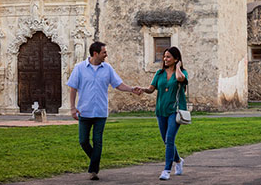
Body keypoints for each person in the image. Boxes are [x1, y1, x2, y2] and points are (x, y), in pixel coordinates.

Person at [67, 41, 142, 181]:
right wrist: (72, 108)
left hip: (101, 111)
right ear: (95, 53)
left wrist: (132, 89)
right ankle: (95, 161)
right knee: (83, 141)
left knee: (98, 141)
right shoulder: (79, 68)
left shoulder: (107, 68)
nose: (106, 55)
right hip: (84, 111)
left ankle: (93, 170)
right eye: (104, 52)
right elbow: (73, 88)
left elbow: (118, 84)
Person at [139, 46, 188, 181]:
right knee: (166, 141)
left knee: (169, 139)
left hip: (175, 110)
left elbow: (180, 79)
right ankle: (178, 160)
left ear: (176, 59)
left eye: (168, 57)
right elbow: (151, 89)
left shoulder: (183, 72)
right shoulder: (159, 73)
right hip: (161, 110)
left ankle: (166, 170)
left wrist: (178, 66)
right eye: (164, 57)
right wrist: (142, 89)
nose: (165, 59)